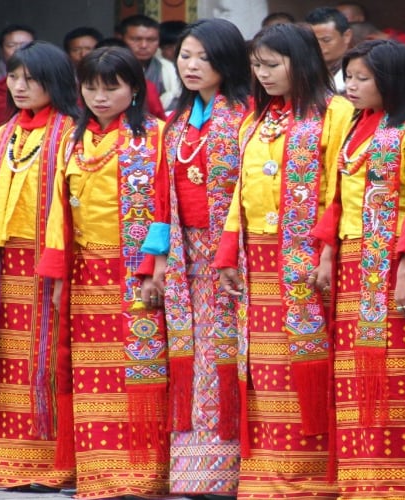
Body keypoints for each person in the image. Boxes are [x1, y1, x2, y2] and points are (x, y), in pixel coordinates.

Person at [214, 22, 353, 499]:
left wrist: (327, 250)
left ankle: (311, 479)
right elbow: (240, 192)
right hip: (260, 260)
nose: (263, 73)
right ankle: (267, 480)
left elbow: (339, 188)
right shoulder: (255, 117)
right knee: (264, 371)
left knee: (306, 363)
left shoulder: (336, 113)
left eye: (273, 64)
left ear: (303, 62)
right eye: (257, 65)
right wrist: (229, 250)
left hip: (308, 258)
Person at [309, 38, 405, 498]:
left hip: (389, 262)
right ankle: (361, 480)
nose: (351, 85)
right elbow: (337, 197)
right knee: (353, 372)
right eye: (349, 76)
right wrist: (326, 254)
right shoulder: (357, 127)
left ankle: (397, 483)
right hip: (351, 260)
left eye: (363, 78)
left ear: (394, 79)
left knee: (394, 368)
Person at [36, 46, 168, 499]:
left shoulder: (156, 137)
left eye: (111, 87)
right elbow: (59, 212)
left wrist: (154, 267)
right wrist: (56, 276)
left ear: (134, 88)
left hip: (134, 270)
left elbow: (163, 209)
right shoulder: (76, 141)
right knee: (94, 375)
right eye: (90, 87)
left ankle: (141, 474)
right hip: (88, 273)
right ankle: (97, 474)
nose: (99, 96)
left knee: (139, 371)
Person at [138, 18, 251, 496]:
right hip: (187, 257)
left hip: (232, 255)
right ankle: (193, 470)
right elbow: (162, 200)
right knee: (195, 353)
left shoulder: (245, 116)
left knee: (228, 352)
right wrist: (156, 261)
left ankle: (231, 467)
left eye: (203, 56)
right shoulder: (176, 123)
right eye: (185, 56)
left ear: (226, 60)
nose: (191, 65)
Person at [0, 40, 78, 491]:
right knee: (7, 356)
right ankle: (10, 464)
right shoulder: (4, 134)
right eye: (14, 77)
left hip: (50, 261)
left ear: (54, 81)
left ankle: (51, 464)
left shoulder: (72, 131)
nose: (19, 86)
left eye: (31, 79)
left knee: (49, 360)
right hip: (6, 264)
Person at [95, 37, 167, 121]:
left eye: (111, 89)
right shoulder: (76, 129)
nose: (99, 98)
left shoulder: (157, 130)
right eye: (90, 88)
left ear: (135, 88)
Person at [120, 14, 181, 111]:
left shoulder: (169, 70)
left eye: (151, 40)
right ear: (121, 39)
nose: (144, 45)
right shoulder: (112, 68)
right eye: (136, 39)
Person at [304, 7, 352, 93]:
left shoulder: (360, 69)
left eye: (326, 40)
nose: (318, 46)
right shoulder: (304, 72)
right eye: (313, 40)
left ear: (346, 36)